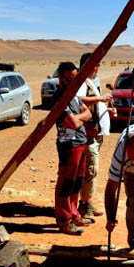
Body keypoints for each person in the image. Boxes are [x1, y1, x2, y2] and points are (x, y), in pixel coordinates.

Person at [54, 61, 92, 235]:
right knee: (66, 183)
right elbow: (74, 123)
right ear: (60, 77)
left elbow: (88, 113)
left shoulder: (74, 95)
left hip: (81, 143)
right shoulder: (60, 98)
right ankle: (64, 220)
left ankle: (74, 214)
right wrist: (80, 118)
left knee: (77, 182)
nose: (72, 83)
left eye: (75, 79)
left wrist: (78, 117)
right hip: (68, 145)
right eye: (69, 79)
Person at [76, 52, 115, 222]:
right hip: (89, 134)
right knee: (90, 170)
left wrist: (106, 110)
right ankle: (84, 205)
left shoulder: (90, 82)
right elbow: (78, 100)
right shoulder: (81, 82)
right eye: (96, 64)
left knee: (92, 170)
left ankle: (87, 201)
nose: (97, 68)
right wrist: (100, 98)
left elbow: (93, 104)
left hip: (96, 134)